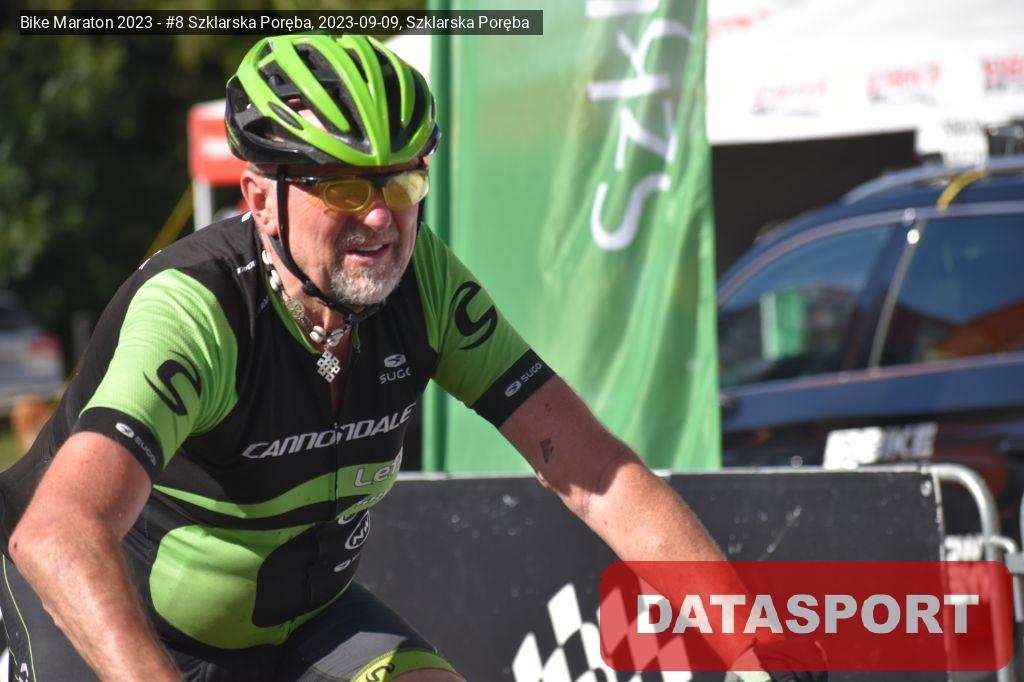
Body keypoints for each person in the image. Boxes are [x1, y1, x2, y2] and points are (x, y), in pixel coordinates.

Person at [0, 34, 824, 682]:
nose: (380, 219)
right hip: (112, 618)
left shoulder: (422, 282)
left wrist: (749, 642)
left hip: (300, 623)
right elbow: (59, 533)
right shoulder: (197, 311)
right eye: (344, 187)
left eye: (401, 183)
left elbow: (593, 469)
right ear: (259, 199)